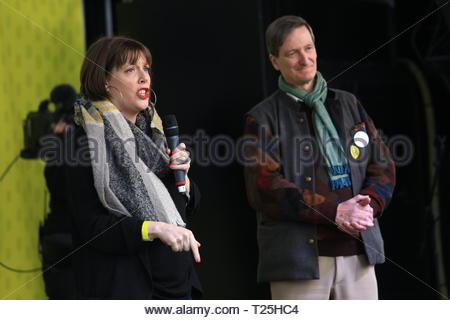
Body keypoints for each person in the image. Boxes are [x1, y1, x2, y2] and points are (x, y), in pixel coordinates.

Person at [243, 16, 396, 300]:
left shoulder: (349, 103)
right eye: (292, 53)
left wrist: (369, 206)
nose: (305, 59)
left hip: (359, 253)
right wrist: (334, 212)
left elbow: (383, 164)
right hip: (298, 262)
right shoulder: (261, 117)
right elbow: (264, 187)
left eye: (309, 48)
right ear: (275, 61)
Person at [63, 36, 202, 299]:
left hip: (179, 288)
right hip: (126, 290)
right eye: (130, 70)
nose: (143, 77)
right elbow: (92, 227)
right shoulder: (83, 143)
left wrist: (184, 177)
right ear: (105, 81)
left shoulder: (156, 135)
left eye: (146, 68)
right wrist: (154, 229)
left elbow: (189, 204)